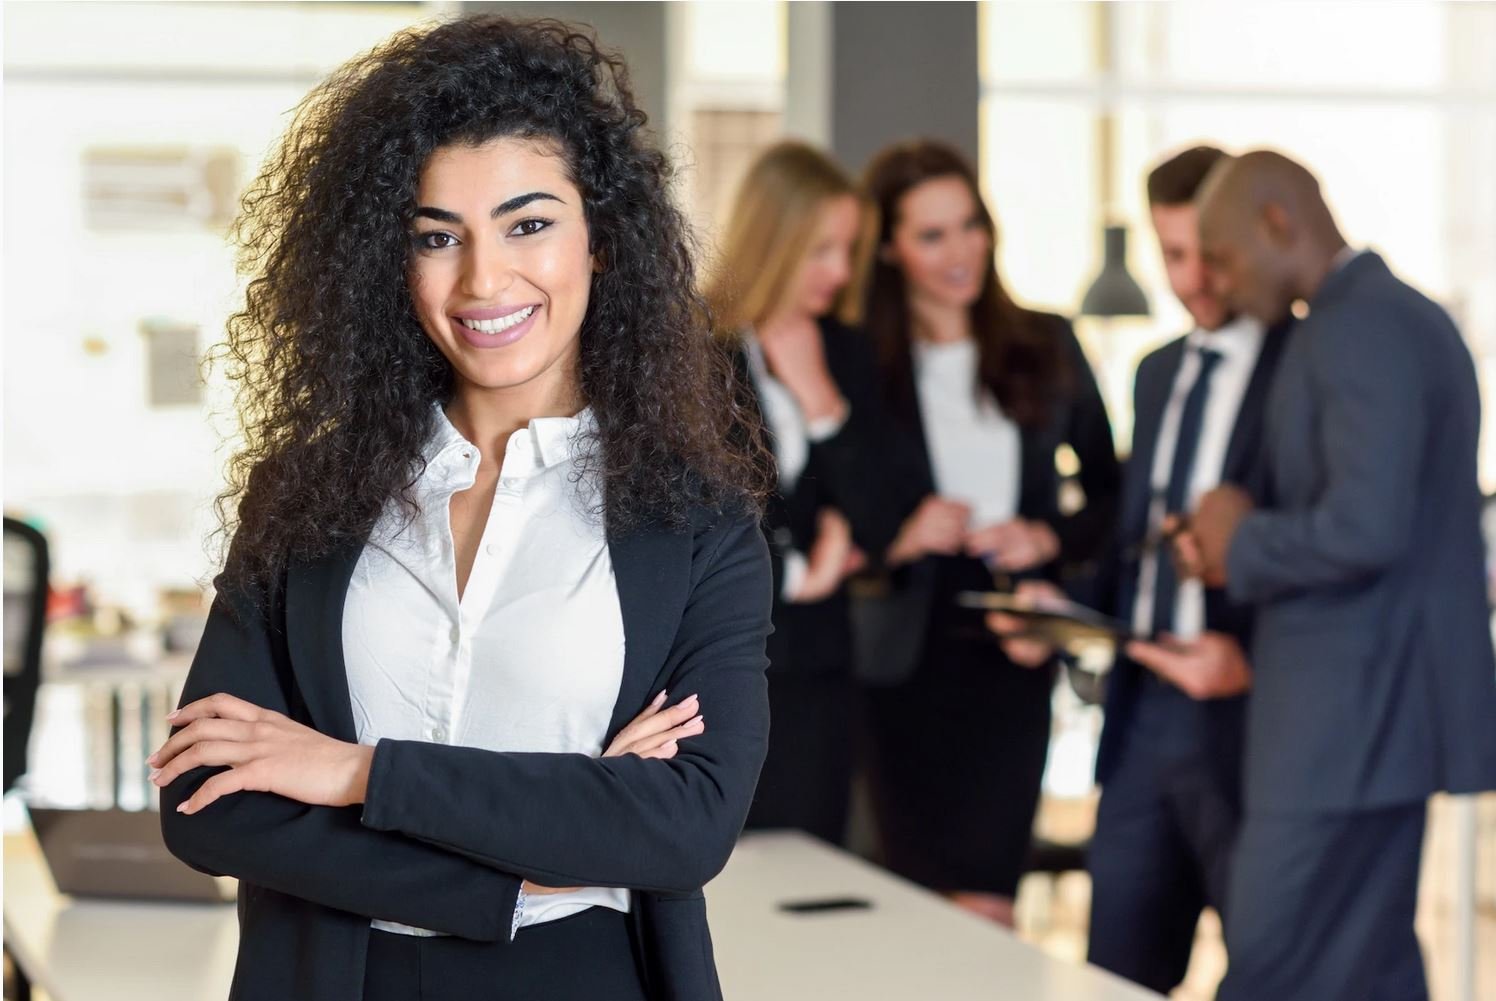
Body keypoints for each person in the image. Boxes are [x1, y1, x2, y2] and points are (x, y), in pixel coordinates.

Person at [148, 17, 775, 1001]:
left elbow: (685, 822)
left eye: (528, 224)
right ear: (386, 264)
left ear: (601, 240)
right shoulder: (306, 494)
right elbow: (207, 803)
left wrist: (353, 772)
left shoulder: (696, 525)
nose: (484, 279)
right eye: (437, 238)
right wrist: (523, 862)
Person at [1182, 149, 1496, 1001]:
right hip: (1372, 715)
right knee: (1370, 968)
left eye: (1222, 254)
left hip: (1344, 722)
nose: (1212, 281)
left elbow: (1367, 526)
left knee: (1270, 963)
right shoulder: (1388, 317)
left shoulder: (1357, 326)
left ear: (1279, 222)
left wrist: (1239, 540)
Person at [989, 145, 1289, 993]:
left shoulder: (1302, 369)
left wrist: (1258, 661)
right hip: (1139, 726)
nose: (1192, 279)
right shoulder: (1157, 375)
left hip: (1250, 724)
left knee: (1270, 972)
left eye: (1208, 255)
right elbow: (1134, 550)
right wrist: (1061, 605)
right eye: (1174, 254)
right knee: (1115, 977)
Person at [856, 140, 1120, 927]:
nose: (960, 250)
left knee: (988, 896)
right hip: (903, 657)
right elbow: (828, 508)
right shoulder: (863, 364)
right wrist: (901, 533)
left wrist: (1046, 539)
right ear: (892, 250)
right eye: (931, 235)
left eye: (969, 225)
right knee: (913, 898)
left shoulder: (1045, 342)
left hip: (1010, 648)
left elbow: (1112, 494)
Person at [706, 141, 901, 845]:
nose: (839, 272)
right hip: (720, 668)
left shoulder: (845, 350)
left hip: (819, 668)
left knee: (813, 870)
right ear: (773, 239)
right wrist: (799, 571)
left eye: (849, 250)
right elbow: (691, 516)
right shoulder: (692, 350)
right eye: (821, 250)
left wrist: (822, 400)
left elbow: (882, 518)